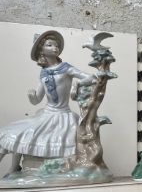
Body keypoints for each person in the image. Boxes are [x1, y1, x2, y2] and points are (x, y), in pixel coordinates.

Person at [0, 30, 95, 174]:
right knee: (19, 133)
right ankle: (13, 168)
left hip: (63, 116)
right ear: (41, 50)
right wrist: (32, 96)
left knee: (52, 140)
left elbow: (90, 78)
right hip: (46, 113)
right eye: (50, 45)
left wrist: (77, 85)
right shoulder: (43, 72)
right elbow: (37, 99)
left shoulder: (66, 68)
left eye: (56, 46)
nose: (55, 48)